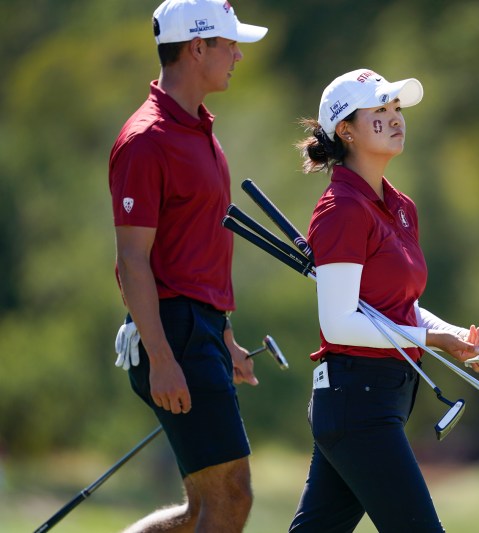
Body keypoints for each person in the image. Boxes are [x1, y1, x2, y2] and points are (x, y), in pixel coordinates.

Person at [288, 68, 479, 533]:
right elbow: (340, 323)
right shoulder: (340, 209)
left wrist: (451, 335)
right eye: (380, 111)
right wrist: (433, 340)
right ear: (344, 130)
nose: (396, 118)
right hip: (355, 401)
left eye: (397, 109)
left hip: (378, 399)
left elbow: (399, 306)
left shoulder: (401, 207)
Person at [108, 1, 267, 531]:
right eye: (229, 45)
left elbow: (195, 255)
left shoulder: (201, 131)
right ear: (197, 47)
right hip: (170, 336)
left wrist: (224, 337)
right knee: (231, 499)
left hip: (198, 332)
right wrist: (161, 357)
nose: (238, 55)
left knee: (205, 508)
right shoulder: (146, 139)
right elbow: (132, 262)